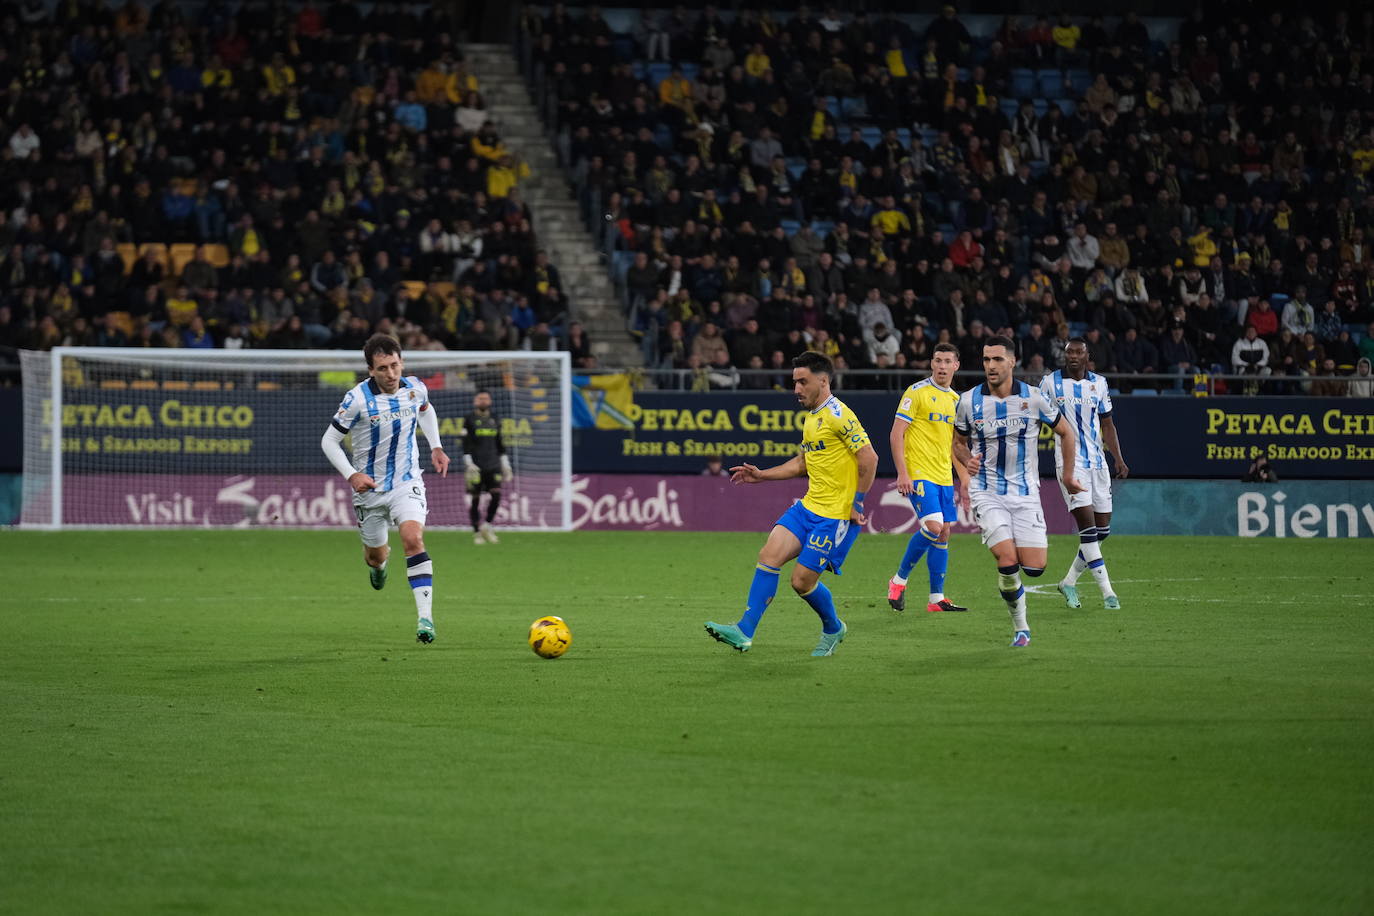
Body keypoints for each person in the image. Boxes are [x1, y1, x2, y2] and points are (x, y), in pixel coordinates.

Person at [705, 351, 878, 656]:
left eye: (802, 381)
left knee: (801, 582)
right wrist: (762, 475)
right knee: (769, 555)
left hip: (834, 515)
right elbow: (802, 464)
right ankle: (744, 631)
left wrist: (858, 503)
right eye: (794, 382)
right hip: (808, 507)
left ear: (823, 381)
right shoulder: (812, 418)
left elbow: (869, 458)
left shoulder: (839, 415)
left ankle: (834, 627)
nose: (796, 388)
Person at [953, 336, 1082, 647]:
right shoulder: (969, 401)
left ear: (1012, 362)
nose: (991, 366)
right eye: (986, 360)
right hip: (987, 491)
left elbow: (1066, 432)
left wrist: (1067, 474)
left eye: (997, 359)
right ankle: (1021, 628)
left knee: (1035, 568)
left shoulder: (1034, 398)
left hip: (1025, 494)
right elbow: (957, 442)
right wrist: (966, 460)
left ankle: (1015, 585)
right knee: (1007, 560)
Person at [321, 334, 450, 644]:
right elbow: (329, 441)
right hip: (370, 490)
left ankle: (425, 619)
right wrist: (352, 475)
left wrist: (436, 446)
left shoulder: (415, 388)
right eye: (382, 368)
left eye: (395, 366)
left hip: (407, 482)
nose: (391, 375)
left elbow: (426, 409)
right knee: (375, 557)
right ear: (370, 370)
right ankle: (379, 564)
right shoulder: (357, 400)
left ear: (401, 362)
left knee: (413, 538)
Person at [1039, 338, 1129, 610]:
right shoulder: (1050, 383)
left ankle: (1068, 582)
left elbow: (1107, 423)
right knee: (1088, 532)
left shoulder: (1099, 384)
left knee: (1103, 531)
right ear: (1064, 356)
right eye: (1070, 353)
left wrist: (1118, 458)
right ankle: (1108, 594)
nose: (1074, 357)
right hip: (1070, 465)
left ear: (1088, 355)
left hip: (1098, 464)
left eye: (1079, 352)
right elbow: (1034, 418)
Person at [886, 342, 971, 614]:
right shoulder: (917, 392)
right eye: (938, 361)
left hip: (944, 475)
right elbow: (896, 433)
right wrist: (902, 472)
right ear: (931, 363)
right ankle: (898, 581)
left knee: (944, 532)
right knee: (934, 527)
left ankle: (936, 599)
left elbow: (955, 447)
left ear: (956, 365)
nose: (942, 366)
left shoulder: (957, 401)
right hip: (920, 473)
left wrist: (964, 479)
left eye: (948, 361)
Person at [462, 389, 513, 545]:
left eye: (485, 398)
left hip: (493, 465)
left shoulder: (495, 419)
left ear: (490, 401)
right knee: (475, 499)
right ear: (475, 401)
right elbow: (465, 444)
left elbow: (500, 443)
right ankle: (477, 532)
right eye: (480, 398)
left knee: (496, 495)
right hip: (476, 466)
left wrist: (506, 465)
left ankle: (487, 525)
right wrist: (468, 462)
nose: (483, 401)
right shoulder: (469, 419)